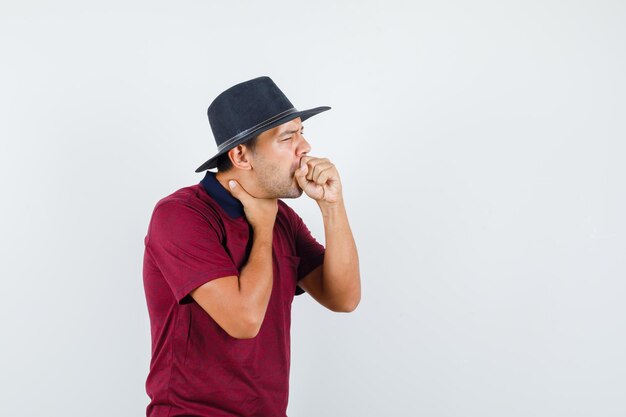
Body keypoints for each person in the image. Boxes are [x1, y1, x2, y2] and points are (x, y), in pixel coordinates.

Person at [142, 76, 361, 417]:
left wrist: (332, 204)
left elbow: (343, 298)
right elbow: (243, 321)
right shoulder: (181, 215)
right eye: (288, 138)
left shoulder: (281, 217)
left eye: (301, 132)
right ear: (241, 155)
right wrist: (261, 228)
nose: (305, 148)